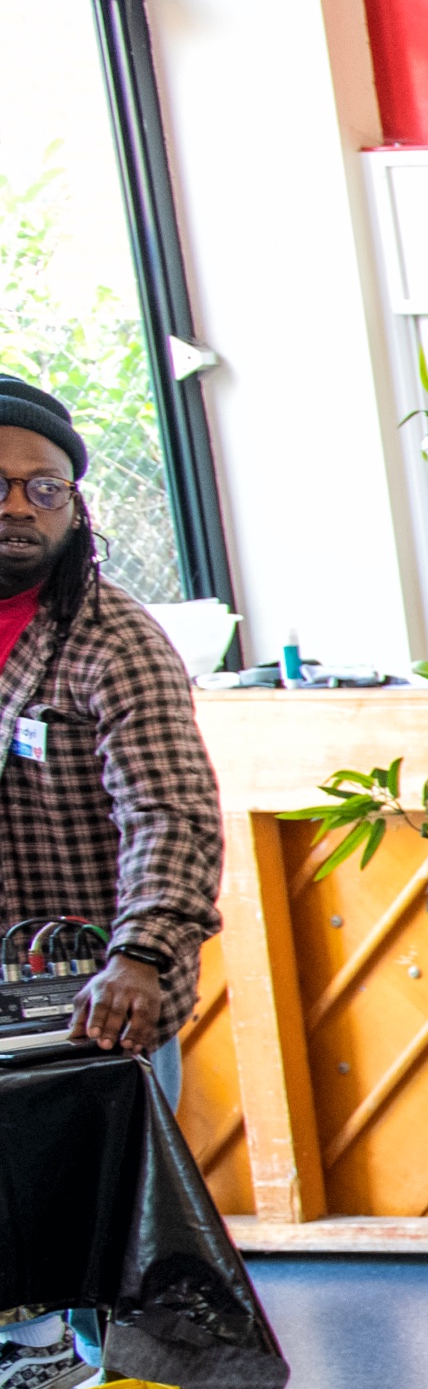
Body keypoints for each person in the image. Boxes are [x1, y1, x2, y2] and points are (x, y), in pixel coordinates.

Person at [0, 373, 219, 1057]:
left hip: (88, 1003)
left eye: (45, 489)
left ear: (74, 506)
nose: (20, 508)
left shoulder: (114, 642)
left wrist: (140, 953)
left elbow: (168, 815)